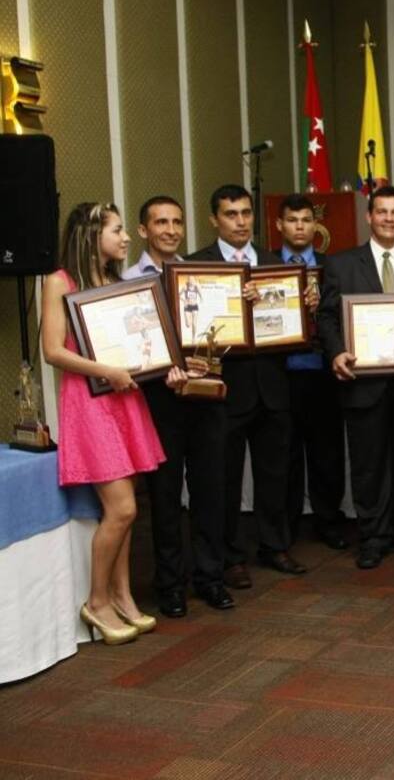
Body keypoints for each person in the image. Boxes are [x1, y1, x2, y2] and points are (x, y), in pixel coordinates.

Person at [42, 202, 180, 644]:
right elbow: (52, 350)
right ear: (90, 234)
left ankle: (122, 595)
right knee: (123, 509)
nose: (125, 239)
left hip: (124, 398)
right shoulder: (58, 281)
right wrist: (107, 370)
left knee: (124, 506)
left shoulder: (114, 282)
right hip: (91, 401)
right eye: (118, 231)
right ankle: (96, 601)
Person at [316, 186, 394, 569]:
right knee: (368, 463)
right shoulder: (341, 264)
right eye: (382, 212)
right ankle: (372, 535)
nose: (389, 218)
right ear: (369, 217)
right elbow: (326, 316)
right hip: (364, 382)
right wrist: (336, 351)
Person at [122, 196, 233, 616]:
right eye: (160, 222)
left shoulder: (200, 276)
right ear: (144, 230)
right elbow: (130, 345)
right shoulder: (128, 281)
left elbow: (217, 331)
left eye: (177, 222)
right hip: (157, 400)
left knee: (210, 492)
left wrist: (213, 353)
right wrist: (161, 369)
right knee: (165, 497)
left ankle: (211, 578)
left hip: (203, 398)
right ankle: (170, 584)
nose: (170, 229)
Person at [190, 185, 305, 587]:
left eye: (245, 213)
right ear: (214, 220)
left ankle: (275, 545)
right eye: (230, 214)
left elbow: (297, 331)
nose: (240, 222)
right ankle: (230, 555)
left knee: (275, 474)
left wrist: (302, 306)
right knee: (225, 478)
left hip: (273, 386)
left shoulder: (278, 264)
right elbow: (194, 331)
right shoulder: (197, 266)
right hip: (225, 389)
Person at [275, 194, 347, 552]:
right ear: (280, 226)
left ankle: (329, 521)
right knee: (284, 456)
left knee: (327, 455)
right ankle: (284, 527)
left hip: (322, 374)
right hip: (282, 374)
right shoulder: (266, 266)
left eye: (306, 220)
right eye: (293, 220)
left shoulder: (331, 267)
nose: (300, 226)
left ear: (315, 226)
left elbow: (339, 317)